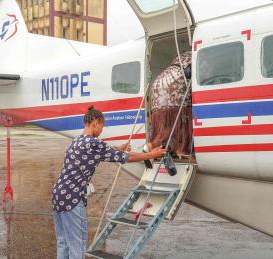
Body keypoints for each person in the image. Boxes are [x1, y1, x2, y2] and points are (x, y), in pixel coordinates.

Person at [52, 106, 166, 259]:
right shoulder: (93, 143)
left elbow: (100, 153)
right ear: (96, 123)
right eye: (102, 126)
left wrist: (120, 148)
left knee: (63, 243)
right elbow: (126, 157)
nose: (101, 130)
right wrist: (151, 154)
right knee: (77, 247)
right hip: (72, 199)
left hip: (58, 195)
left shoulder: (78, 141)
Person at [148, 51, 193, 158]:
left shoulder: (174, 63)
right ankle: (182, 151)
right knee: (184, 124)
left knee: (166, 127)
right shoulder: (192, 57)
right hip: (175, 90)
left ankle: (151, 146)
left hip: (158, 90)